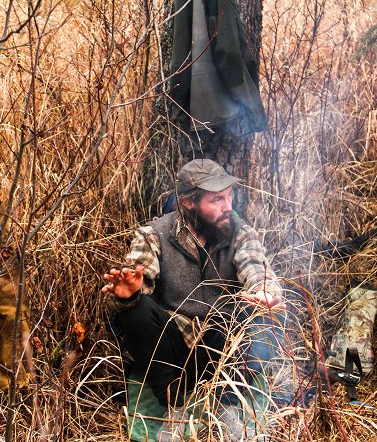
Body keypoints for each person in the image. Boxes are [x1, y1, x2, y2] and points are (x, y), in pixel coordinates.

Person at [102, 159, 290, 441]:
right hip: (173, 348)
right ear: (189, 203)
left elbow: (256, 267)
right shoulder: (154, 235)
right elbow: (137, 272)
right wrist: (128, 293)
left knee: (253, 311)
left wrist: (264, 291)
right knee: (136, 311)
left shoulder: (240, 232)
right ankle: (174, 408)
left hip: (222, 345)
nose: (228, 206)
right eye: (217, 200)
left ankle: (225, 406)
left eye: (228, 197)